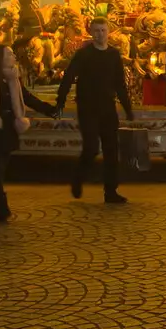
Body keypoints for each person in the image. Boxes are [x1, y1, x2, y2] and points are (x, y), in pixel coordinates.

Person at [0, 44, 57, 222]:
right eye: (9, 54)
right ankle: (1, 207)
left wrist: (49, 109)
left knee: (0, 167)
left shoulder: (12, 76)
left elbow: (25, 97)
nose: (13, 57)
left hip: (8, 127)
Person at [56, 16, 136, 203]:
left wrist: (127, 107)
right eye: (96, 31)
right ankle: (78, 177)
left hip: (107, 107)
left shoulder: (113, 55)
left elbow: (119, 83)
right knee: (91, 147)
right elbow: (69, 76)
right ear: (91, 33)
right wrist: (60, 100)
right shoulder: (84, 54)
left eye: (103, 30)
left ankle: (110, 190)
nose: (100, 34)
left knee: (111, 150)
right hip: (88, 107)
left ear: (108, 32)